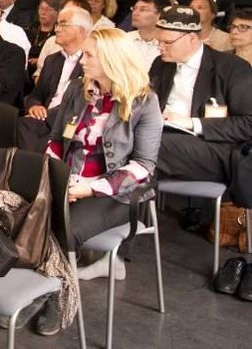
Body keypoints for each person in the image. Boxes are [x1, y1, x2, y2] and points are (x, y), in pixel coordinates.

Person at [31, 28, 163, 331]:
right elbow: (55, 141)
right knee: (29, 213)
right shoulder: (78, 91)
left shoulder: (144, 101)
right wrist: (56, 176)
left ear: (111, 60)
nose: (82, 60)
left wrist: (91, 188)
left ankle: (57, 296)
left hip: (116, 194)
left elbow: (144, 165)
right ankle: (37, 290)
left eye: (89, 55)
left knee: (63, 228)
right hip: (70, 182)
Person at [151, 6, 252, 191]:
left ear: (191, 38)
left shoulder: (232, 68)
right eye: (158, 41)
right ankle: (143, 211)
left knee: (147, 143)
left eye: (167, 42)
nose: (160, 47)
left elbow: (248, 124)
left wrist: (191, 123)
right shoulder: (161, 65)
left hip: (215, 147)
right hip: (166, 137)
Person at [17, 6, 91, 152]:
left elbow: (82, 103)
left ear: (81, 30)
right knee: (24, 124)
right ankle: (36, 169)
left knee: (30, 129)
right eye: (57, 24)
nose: (56, 29)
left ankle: (36, 169)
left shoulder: (91, 62)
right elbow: (36, 94)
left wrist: (47, 117)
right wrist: (34, 106)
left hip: (71, 121)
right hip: (44, 119)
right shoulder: (52, 60)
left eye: (63, 24)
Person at [125, 0, 171, 69]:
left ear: (160, 15)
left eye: (143, 10)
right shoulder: (123, 39)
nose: (135, 13)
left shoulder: (169, 44)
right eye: (134, 8)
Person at [26, 0, 63, 73]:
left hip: (45, 72)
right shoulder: (30, 29)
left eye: (48, 9)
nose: (43, 12)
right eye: (41, 8)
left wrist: (40, 61)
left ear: (58, 13)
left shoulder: (58, 34)